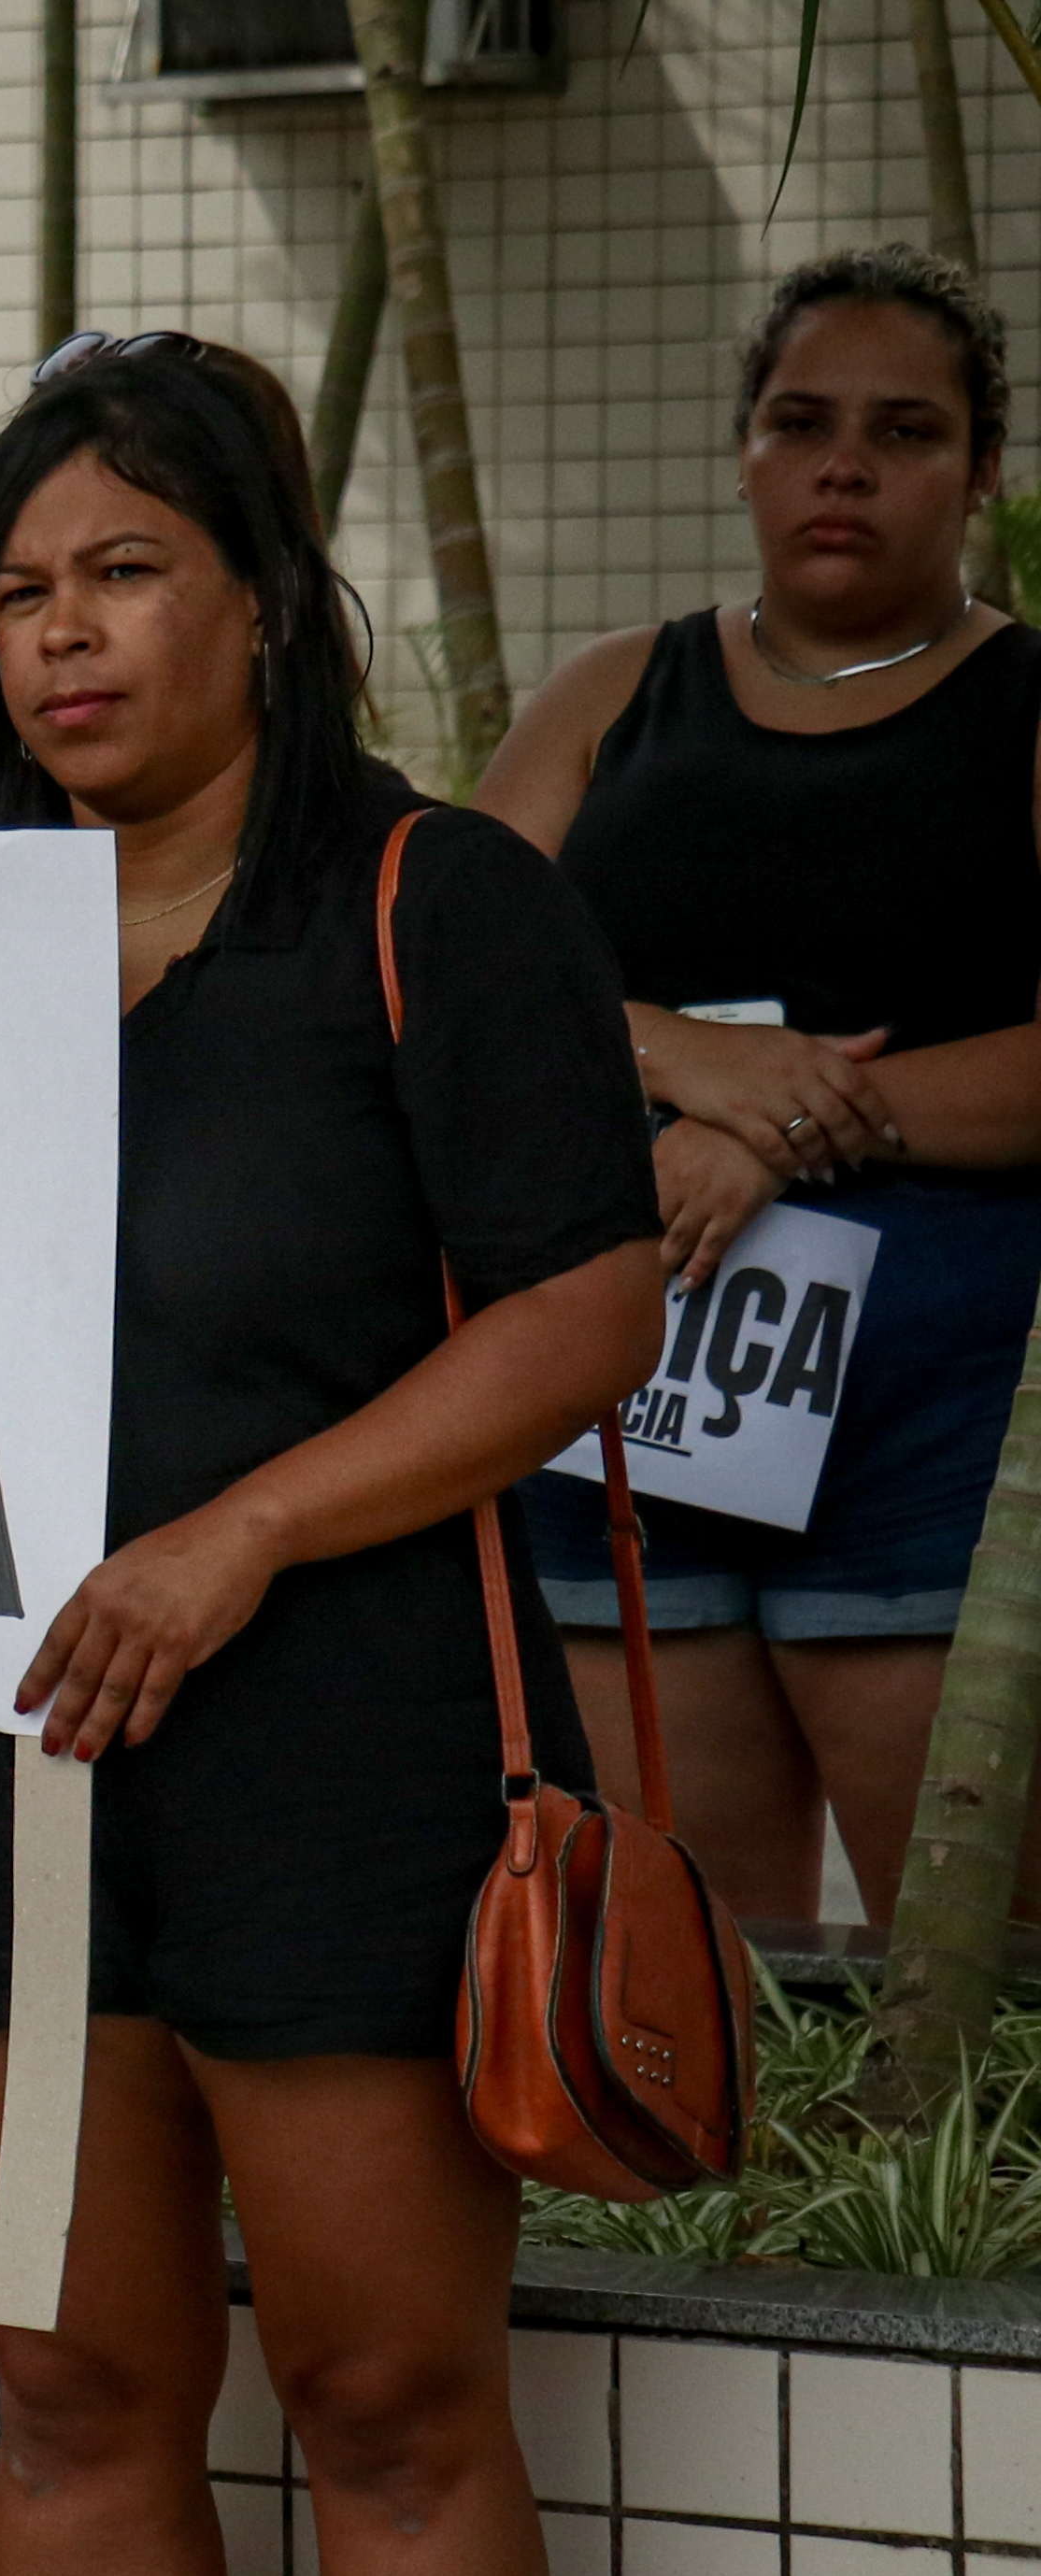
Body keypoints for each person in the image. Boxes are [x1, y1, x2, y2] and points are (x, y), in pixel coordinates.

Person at [0, 337, 661, 2576]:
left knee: (393, 2395)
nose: (60, 640)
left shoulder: (434, 902)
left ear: (262, 596)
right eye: (18, 590)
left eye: (125, 574)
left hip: (348, 1741)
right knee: (66, 2380)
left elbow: (582, 1306)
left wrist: (250, 1529)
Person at [481, 246, 1041, 1926]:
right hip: (627, 1395)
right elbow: (450, 982)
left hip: (936, 1415)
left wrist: (772, 1143)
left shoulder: (1021, 706)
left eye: (902, 430)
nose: (842, 464)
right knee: (680, 1970)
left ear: (980, 470)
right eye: (798, 421)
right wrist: (685, 1067)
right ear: (739, 448)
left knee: (968, 1984)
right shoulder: (605, 693)